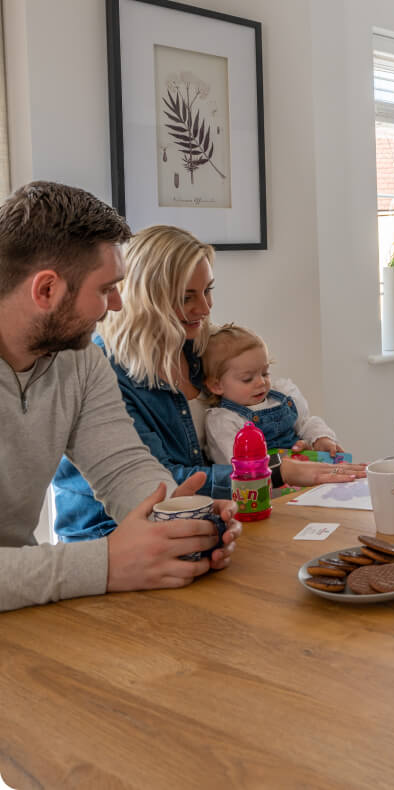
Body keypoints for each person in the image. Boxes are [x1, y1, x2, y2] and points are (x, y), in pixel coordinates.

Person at [0, 182, 240, 612]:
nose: (116, 305)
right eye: (106, 288)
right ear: (46, 290)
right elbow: (103, 561)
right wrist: (106, 564)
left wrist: (186, 519)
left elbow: (124, 469)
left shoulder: (80, 362)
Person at [53, 225, 364, 541]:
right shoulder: (105, 372)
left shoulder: (202, 348)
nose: (204, 308)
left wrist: (293, 444)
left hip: (201, 519)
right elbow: (159, 482)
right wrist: (273, 470)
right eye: (187, 297)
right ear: (145, 298)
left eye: (208, 290)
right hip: (114, 536)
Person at [201, 324, 342, 464]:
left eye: (265, 373)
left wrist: (321, 438)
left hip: (304, 467)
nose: (261, 382)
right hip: (266, 482)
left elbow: (306, 423)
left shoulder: (281, 395)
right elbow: (238, 465)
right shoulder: (224, 420)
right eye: (247, 379)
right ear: (217, 385)